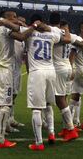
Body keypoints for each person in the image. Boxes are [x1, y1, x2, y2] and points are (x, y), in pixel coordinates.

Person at [0, 11, 38, 148]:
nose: (16, 19)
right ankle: (1, 138)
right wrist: (33, 26)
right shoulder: (4, 28)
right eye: (13, 17)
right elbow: (21, 37)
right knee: (6, 105)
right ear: (6, 18)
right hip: (4, 69)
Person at [24, 14, 73, 151]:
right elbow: (67, 39)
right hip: (51, 72)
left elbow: (17, 33)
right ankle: (51, 133)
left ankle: (39, 143)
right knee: (48, 104)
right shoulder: (52, 33)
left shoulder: (28, 32)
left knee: (36, 109)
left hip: (37, 72)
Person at [49, 13, 83, 142]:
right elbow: (82, 43)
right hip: (67, 68)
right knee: (63, 97)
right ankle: (67, 128)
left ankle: (71, 129)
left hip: (59, 69)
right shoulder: (71, 36)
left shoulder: (56, 34)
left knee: (59, 99)